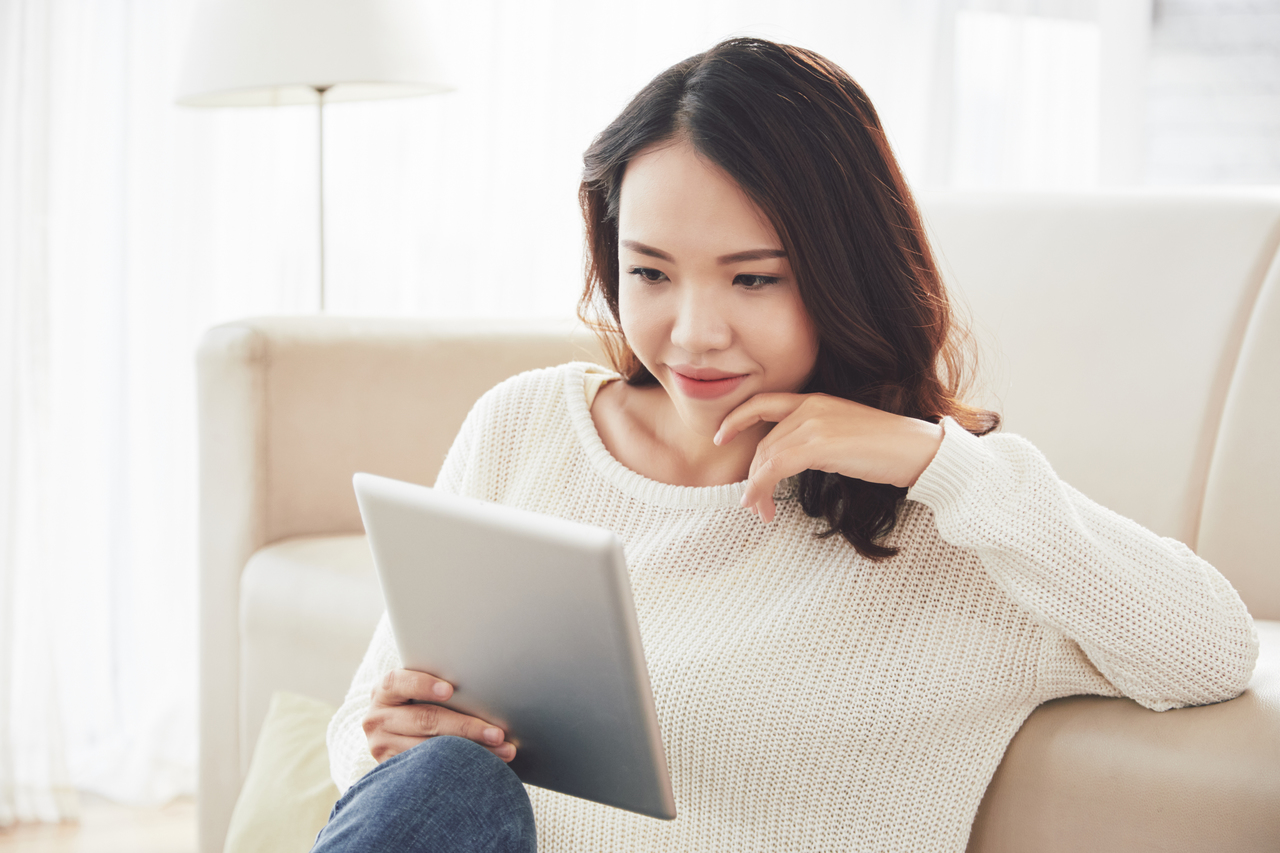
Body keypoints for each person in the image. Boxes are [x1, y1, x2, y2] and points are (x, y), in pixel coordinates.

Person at [313, 37, 1258, 853]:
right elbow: (364, 746)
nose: (691, 333)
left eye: (752, 280)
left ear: (845, 272)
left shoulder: (953, 524)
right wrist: (392, 735)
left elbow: (1211, 647)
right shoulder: (525, 428)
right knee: (448, 784)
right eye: (649, 272)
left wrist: (939, 464)